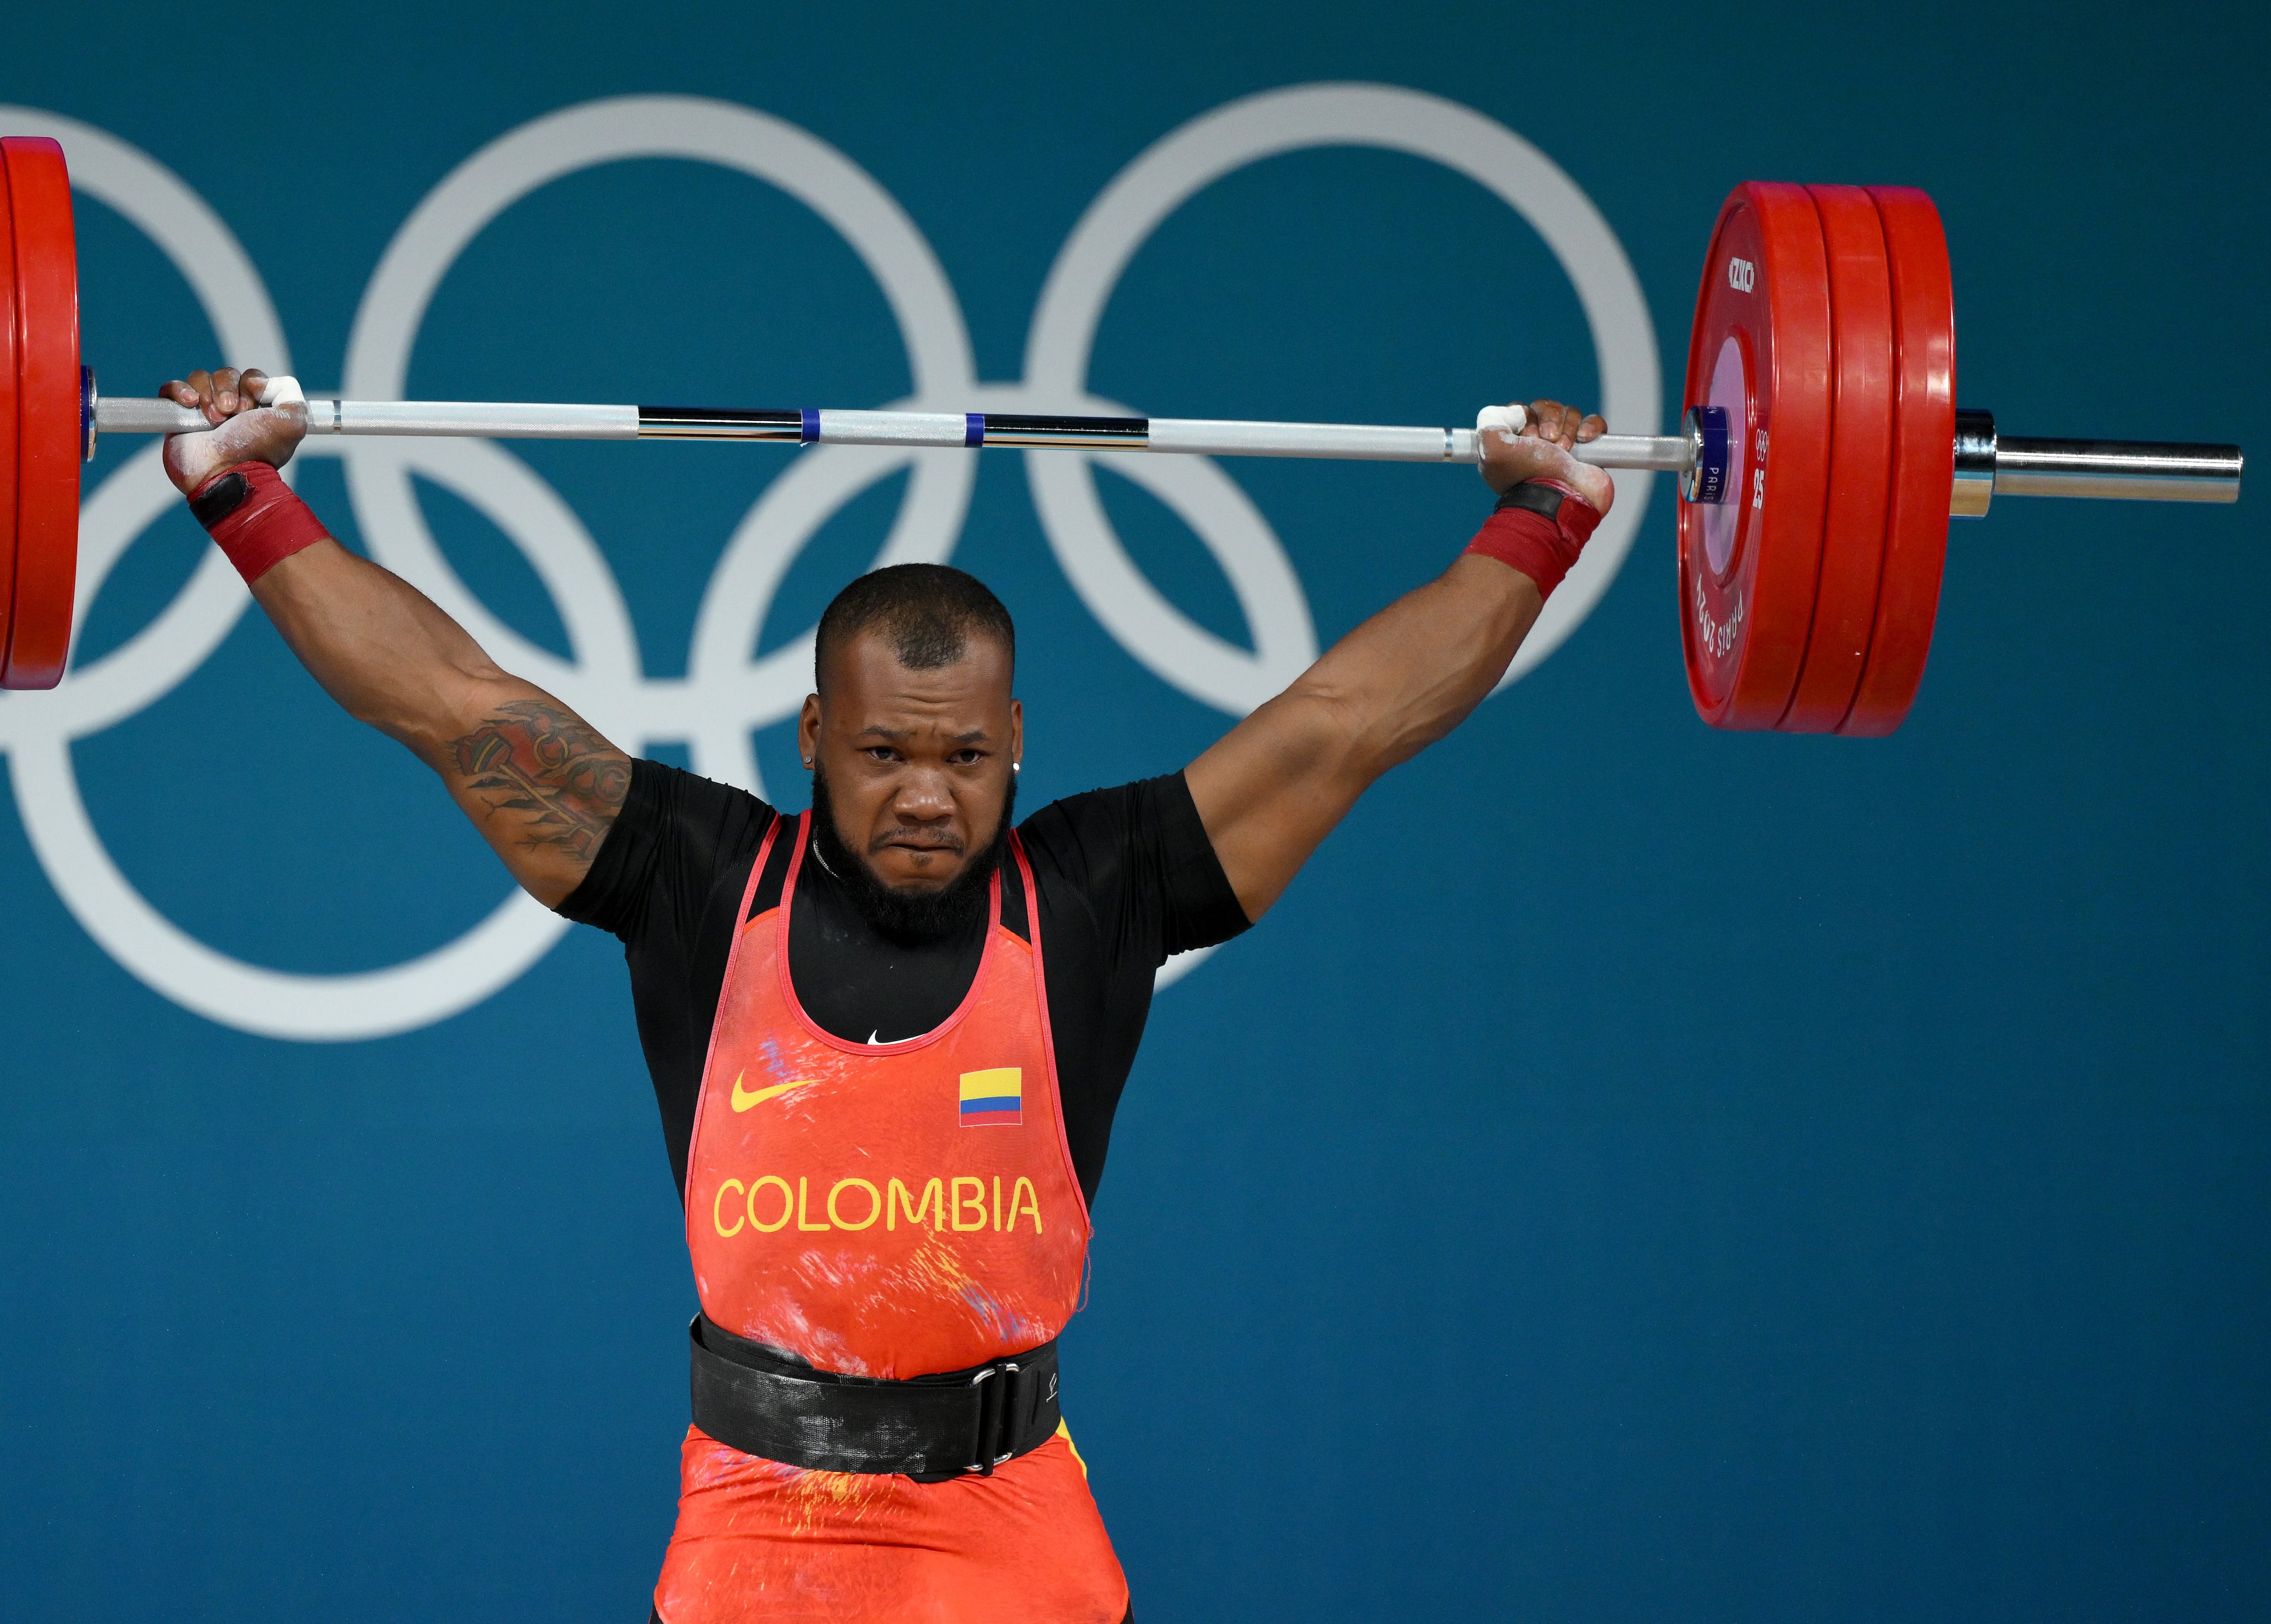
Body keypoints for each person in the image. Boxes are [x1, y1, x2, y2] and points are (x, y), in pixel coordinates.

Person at [157, 367, 1613, 1624]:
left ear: (1017, 741)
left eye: (965, 758)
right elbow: (450, 703)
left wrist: (1540, 516)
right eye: (883, 755)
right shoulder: (697, 877)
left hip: (1010, 1529)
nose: (926, 795)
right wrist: (246, 500)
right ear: (812, 733)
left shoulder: (1094, 890)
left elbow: (1347, 723)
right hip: (752, 1530)